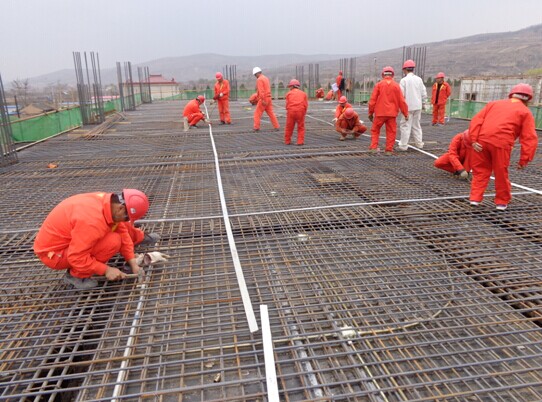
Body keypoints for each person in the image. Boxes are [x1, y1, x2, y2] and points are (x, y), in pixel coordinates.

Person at [34, 189, 160, 290]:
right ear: (121, 208)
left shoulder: (108, 203)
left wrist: (132, 261)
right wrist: (106, 270)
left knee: (121, 226)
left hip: (70, 239)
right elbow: (76, 257)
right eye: (127, 217)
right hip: (54, 254)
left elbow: (122, 231)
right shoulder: (91, 222)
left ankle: (138, 237)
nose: (126, 220)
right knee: (113, 242)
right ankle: (76, 276)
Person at [468, 83, 538, 210]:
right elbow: (529, 138)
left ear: (512, 94)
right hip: (501, 144)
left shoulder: (493, 104)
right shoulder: (525, 112)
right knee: (500, 173)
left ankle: (475, 199)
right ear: (528, 99)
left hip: (481, 142)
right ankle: (501, 201)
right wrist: (524, 159)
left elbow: (476, 121)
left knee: (480, 171)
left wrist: (473, 140)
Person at [368, 66, 409, 154]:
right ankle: (389, 150)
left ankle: (373, 148)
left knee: (375, 130)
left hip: (380, 113)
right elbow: (402, 101)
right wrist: (405, 113)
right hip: (392, 114)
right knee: (391, 132)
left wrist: (370, 113)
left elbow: (372, 100)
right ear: (392, 75)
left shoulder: (379, 85)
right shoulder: (396, 86)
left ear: (383, 74)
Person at [398, 59, 427, 151]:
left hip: (407, 107)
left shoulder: (403, 80)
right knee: (416, 125)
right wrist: (423, 103)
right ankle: (419, 144)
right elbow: (424, 93)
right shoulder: (419, 79)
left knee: (405, 126)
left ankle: (403, 145)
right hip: (418, 106)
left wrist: (400, 107)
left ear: (404, 69)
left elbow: (401, 95)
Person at [252, 67, 280, 132]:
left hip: (264, 98)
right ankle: (276, 126)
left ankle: (256, 127)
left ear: (256, 73)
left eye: (255, 75)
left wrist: (262, 99)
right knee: (271, 113)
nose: (255, 76)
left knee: (257, 114)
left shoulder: (259, 79)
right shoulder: (265, 78)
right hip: (269, 98)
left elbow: (261, 91)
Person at [284, 79, 308, 145]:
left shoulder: (288, 94)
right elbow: (305, 105)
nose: (289, 88)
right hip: (300, 111)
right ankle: (300, 141)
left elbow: (287, 105)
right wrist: (304, 113)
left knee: (289, 127)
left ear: (292, 86)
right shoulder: (303, 94)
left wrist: (288, 110)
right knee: (301, 127)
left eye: (290, 86)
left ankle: (287, 141)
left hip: (291, 111)